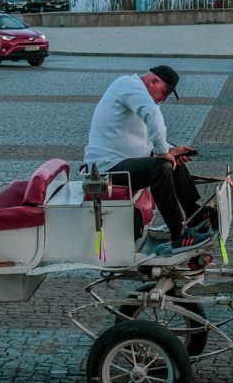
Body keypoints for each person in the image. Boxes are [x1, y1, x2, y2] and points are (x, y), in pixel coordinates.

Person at [84, 65, 213, 255]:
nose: (165, 98)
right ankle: (179, 234)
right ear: (153, 82)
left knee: (171, 160)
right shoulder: (129, 85)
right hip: (106, 168)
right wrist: (163, 152)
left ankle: (195, 214)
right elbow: (152, 115)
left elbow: (145, 140)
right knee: (160, 167)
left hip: (121, 162)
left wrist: (170, 150)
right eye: (165, 92)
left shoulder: (134, 92)